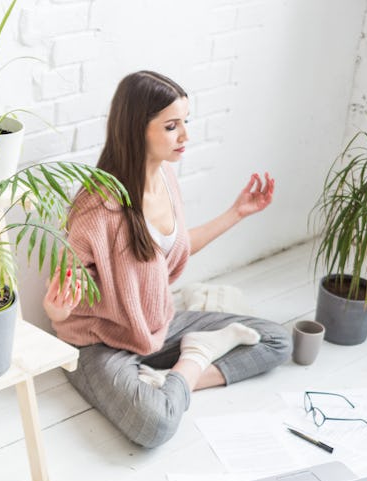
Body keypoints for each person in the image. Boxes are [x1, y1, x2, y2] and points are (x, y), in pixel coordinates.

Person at [43, 70, 292, 448]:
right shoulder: (96, 209)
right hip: (98, 344)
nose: (186, 136)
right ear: (137, 129)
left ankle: (174, 373)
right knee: (155, 425)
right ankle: (193, 360)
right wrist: (56, 310)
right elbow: (63, 302)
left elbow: (166, 254)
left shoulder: (166, 180)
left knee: (276, 341)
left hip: (155, 324)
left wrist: (236, 213)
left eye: (185, 122)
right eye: (172, 126)